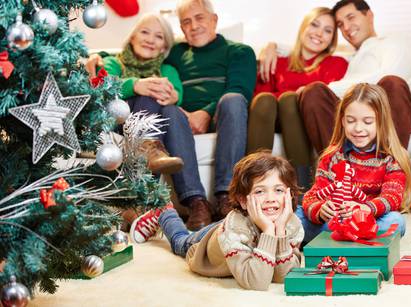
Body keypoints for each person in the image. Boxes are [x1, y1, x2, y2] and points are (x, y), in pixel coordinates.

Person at [87, 0, 257, 231]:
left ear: (214, 20)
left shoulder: (236, 52)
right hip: (145, 120)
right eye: (186, 21)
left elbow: (180, 90)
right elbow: (110, 73)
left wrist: (193, 108)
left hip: (216, 115)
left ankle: (217, 198)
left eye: (199, 18)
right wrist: (104, 62)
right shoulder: (173, 54)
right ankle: (192, 199)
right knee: (162, 104)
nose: (194, 26)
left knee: (219, 102)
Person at [129, 151, 304, 291]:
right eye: (260, 191)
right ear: (243, 200)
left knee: (227, 225)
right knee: (180, 243)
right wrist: (268, 231)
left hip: (233, 225)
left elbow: (283, 277)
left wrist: (279, 231)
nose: (271, 198)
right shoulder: (235, 231)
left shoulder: (290, 224)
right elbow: (257, 283)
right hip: (210, 242)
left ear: (289, 195)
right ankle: (164, 212)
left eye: (279, 190)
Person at [259, 0, 411, 153]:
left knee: (392, 81)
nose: (347, 27)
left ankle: (391, 170)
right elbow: (309, 48)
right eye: (341, 24)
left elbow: (393, 74)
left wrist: (331, 89)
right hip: (355, 117)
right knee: (313, 91)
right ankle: (339, 171)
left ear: (369, 15)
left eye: (351, 17)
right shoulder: (350, 58)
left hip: (393, 113)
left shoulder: (393, 41)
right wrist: (272, 46)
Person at [298, 83, 411, 245]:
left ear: (381, 122)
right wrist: (320, 209)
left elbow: (392, 197)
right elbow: (314, 195)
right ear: (343, 121)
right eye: (351, 121)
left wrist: (366, 208)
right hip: (335, 220)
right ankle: (349, 237)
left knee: (396, 221)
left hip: (368, 220)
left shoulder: (391, 158)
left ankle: (339, 238)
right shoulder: (332, 157)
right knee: (297, 216)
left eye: (367, 122)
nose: (358, 128)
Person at [247, 7, 348, 190]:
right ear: (303, 28)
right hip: (270, 117)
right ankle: (253, 182)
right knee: (264, 100)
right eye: (314, 25)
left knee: (289, 99)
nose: (319, 33)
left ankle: (302, 187)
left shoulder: (336, 64)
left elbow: (326, 102)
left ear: (332, 39)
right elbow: (261, 96)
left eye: (327, 30)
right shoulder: (277, 60)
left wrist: (291, 95)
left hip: (302, 121)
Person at [102, 14, 184, 175]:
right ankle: (146, 146)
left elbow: (177, 93)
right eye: (145, 32)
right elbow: (105, 88)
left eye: (159, 36)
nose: (151, 40)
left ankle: (194, 197)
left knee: (172, 110)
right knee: (150, 91)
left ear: (164, 46)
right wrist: (135, 85)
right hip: (119, 122)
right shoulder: (112, 63)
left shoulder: (168, 70)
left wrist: (174, 96)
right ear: (132, 37)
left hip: (157, 126)